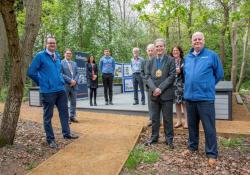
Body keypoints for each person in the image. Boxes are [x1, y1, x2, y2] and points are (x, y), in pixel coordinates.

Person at [27, 37, 79, 149]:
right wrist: (43, 82)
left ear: (56, 44)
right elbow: (31, 72)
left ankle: (67, 134)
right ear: (46, 44)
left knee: (64, 113)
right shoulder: (40, 56)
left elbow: (59, 71)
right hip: (48, 91)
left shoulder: (57, 56)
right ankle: (50, 140)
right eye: (50, 43)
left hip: (60, 90)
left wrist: (61, 80)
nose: (52, 44)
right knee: (48, 116)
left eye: (54, 43)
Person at [182, 32, 224, 167]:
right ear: (191, 41)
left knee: (209, 127)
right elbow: (185, 75)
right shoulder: (187, 58)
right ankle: (192, 147)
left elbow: (219, 75)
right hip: (189, 98)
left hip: (205, 99)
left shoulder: (212, 55)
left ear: (204, 40)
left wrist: (207, 85)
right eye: (195, 39)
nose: (197, 41)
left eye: (200, 39)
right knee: (192, 126)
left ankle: (212, 154)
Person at [145, 38, 176, 149]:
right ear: (154, 48)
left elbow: (172, 76)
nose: (159, 48)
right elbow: (147, 76)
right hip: (153, 94)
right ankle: (154, 137)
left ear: (164, 47)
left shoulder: (170, 60)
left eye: (161, 46)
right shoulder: (150, 60)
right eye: (157, 46)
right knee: (154, 118)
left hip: (166, 94)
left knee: (168, 118)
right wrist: (154, 89)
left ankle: (169, 139)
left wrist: (160, 88)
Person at [171, 46, 188, 129]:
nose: (175, 52)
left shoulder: (184, 60)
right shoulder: (170, 61)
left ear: (180, 51)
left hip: (183, 84)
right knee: (177, 103)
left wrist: (180, 70)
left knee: (184, 103)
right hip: (174, 85)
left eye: (176, 50)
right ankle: (179, 121)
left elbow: (187, 71)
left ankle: (187, 121)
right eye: (173, 50)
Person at [61, 49, 79, 123]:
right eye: (67, 53)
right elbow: (61, 74)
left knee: (73, 102)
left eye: (70, 53)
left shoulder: (74, 63)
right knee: (64, 102)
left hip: (74, 85)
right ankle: (66, 118)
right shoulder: (61, 63)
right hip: (66, 85)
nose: (69, 55)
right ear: (64, 54)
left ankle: (72, 116)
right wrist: (70, 80)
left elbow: (77, 73)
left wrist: (74, 81)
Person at [142, 44, 156, 126]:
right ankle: (151, 119)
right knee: (150, 104)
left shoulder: (158, 60)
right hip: (148, 86)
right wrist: (146, 81)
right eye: (149, 50)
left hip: (157, 86)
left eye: (152, 50)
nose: (150, 52)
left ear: (154, 50)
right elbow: (142, 73)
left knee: (158, 103)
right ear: (147, 51)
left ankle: (158, 119)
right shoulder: (144, 62)